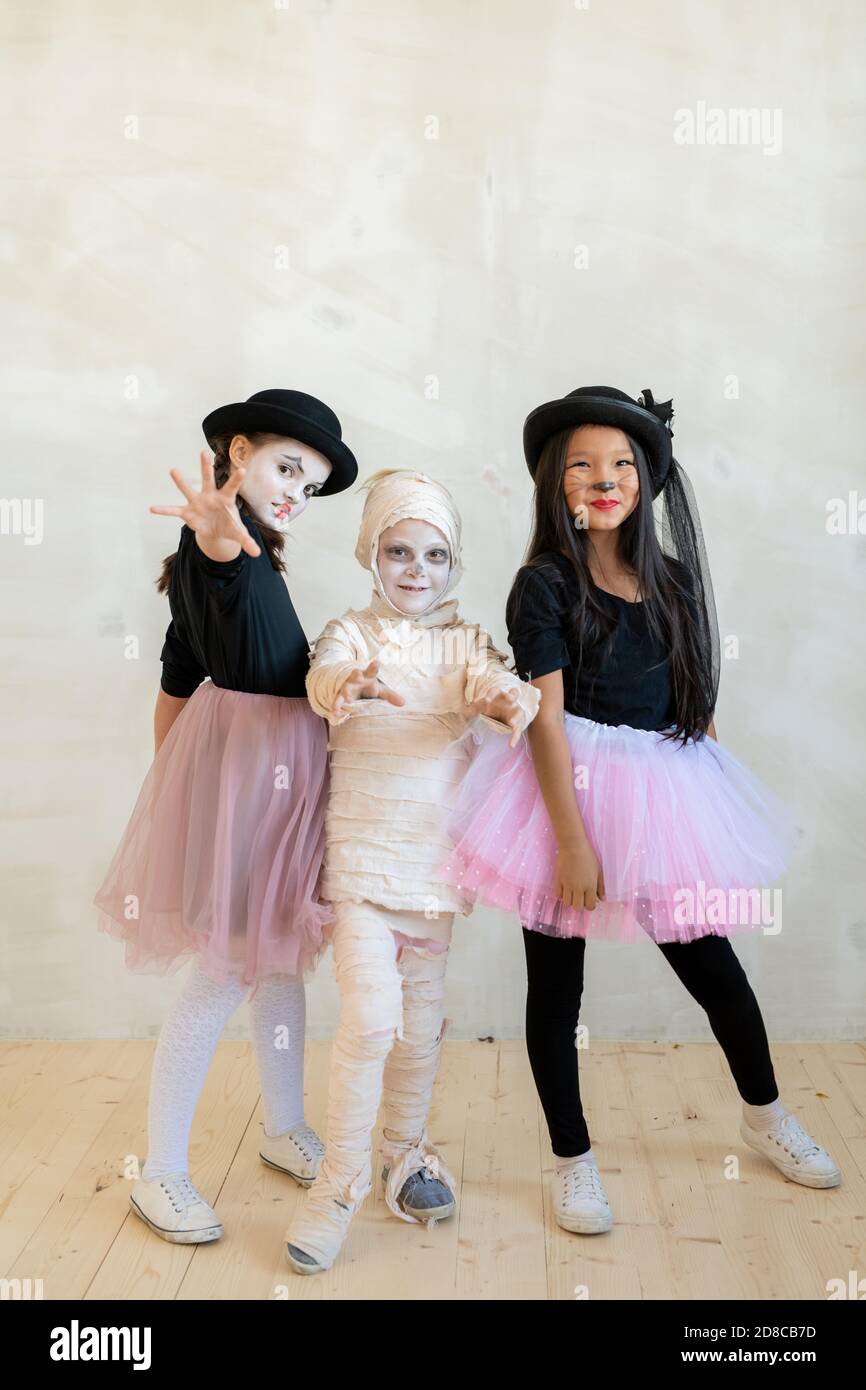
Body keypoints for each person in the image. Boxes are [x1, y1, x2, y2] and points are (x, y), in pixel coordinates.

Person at [440, 385, 842, 1236]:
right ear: (557, 482)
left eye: (622, 463)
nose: (604, 478)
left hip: (666, 785)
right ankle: (572, 1160)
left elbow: (694, 699)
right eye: (582, 465)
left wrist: (714, 802)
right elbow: (544, 716)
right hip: (565, 788)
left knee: (717, 973)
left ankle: (765, 1114)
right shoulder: (543, 583)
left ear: (646, 480)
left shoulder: (672, 580)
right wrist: (571, 841)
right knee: (556, 989)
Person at [94, 388, 358, 1243]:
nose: (295, 493)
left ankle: (282, 1129)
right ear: (236, 451)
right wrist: (216, 523)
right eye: (287, 469)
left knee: (279, 964)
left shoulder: (257, 558)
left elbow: (177, 676)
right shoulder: (223, 544)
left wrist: (176, 780)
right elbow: (214, 550)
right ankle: (161, 1170)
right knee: (223, 973)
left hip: (273, 785)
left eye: (310, 486)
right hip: (257, 788)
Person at [284, 468, 540, 1273]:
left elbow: (494, 683)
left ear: (453, 564)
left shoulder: (463, 643)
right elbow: (324, 679)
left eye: (433, 555)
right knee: (370, 1023)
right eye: (399, 552)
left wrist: (507, 701)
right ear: (372, 554)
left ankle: (406, 1151)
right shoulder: (351, 635)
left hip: (434, 874)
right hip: (361, 867)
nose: (415, 571)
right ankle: (336, 1186)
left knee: (421, 1033)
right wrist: (345, 685)